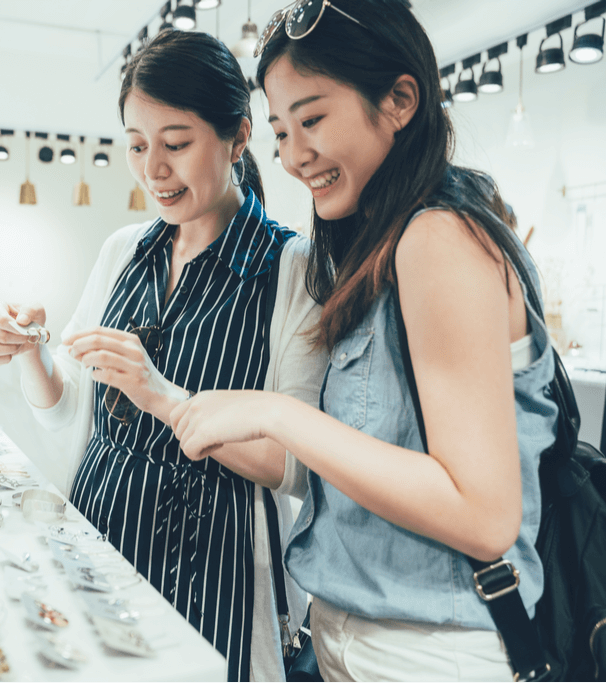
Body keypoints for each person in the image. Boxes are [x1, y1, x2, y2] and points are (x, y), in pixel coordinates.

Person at [169, 1, 558, 681]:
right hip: (357, 636)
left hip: (430, 651)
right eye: (282, 132)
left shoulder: (439, 238)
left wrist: (278, 412)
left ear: (401, 99)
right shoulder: (378, 247)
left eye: (312, 120)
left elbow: (483, 512)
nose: (292, 156)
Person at [0, 30, 327, 682]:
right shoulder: (124, 251)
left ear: (238, 136)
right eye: (137, 146)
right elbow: (68, 412)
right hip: (95, 545)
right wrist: (30, 351)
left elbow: (295, 465)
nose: (152, 169)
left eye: (175, 143)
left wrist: (164, 395)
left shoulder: (290, 269)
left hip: (216, 577)